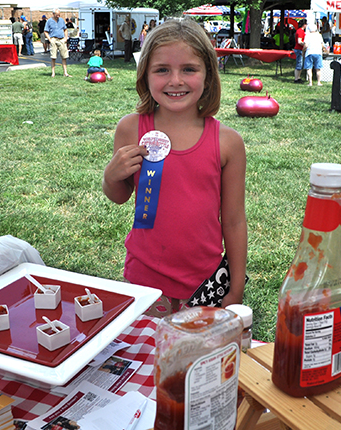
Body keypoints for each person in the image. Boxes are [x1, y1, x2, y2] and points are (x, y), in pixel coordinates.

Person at [102, 18, 247, 316]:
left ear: (208, 75)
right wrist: (110, 176)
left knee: (200, 360)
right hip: (145, 281)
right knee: (150, 358)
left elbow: (233, 221)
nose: (175, 80)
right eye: (162, 69)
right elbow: (119, 195)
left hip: (207, 283)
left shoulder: (228, 143)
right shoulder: (130, 129)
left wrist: (235, 288)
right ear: (145, 75)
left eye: (189, 69)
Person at [44, 9, 71, 77]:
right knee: (53, 57)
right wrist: (50, 39)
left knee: (64, 56)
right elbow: (45, 31)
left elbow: (65, 29)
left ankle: (65, 73)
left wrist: (65, 38)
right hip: (53, 39)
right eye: (57, 15)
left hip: (61, 39)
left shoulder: (61, 20)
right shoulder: (49, 21)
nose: (58, 16)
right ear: (53, 14)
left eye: (59, 15)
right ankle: (53, 73)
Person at [293, 19, 308, 84]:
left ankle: (298, 77)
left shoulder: (299, 31)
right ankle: (296, 78)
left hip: (300, 49)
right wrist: (304, 44)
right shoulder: (300, 31)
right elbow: (299, 41)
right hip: (299, 49)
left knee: (300, 64)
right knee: (299, 64)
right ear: (304, 25)